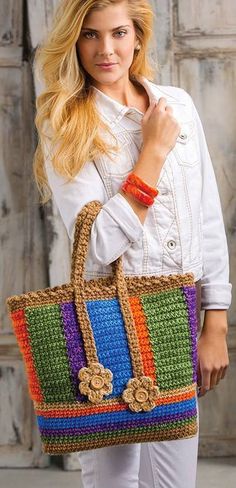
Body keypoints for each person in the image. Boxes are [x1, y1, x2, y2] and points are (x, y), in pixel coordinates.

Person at [33, 1, 232, 487]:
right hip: (104, 323)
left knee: (175, 481)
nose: (106, 49)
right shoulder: (68, 124)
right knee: (113, 480)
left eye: (119, 33)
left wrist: (216, 324)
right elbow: (98, 244)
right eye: (90, 35)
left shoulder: (178, 105)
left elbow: (207, 218)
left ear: (138, 36)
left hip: (175, 318)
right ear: (73, 43)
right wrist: (154, 151)